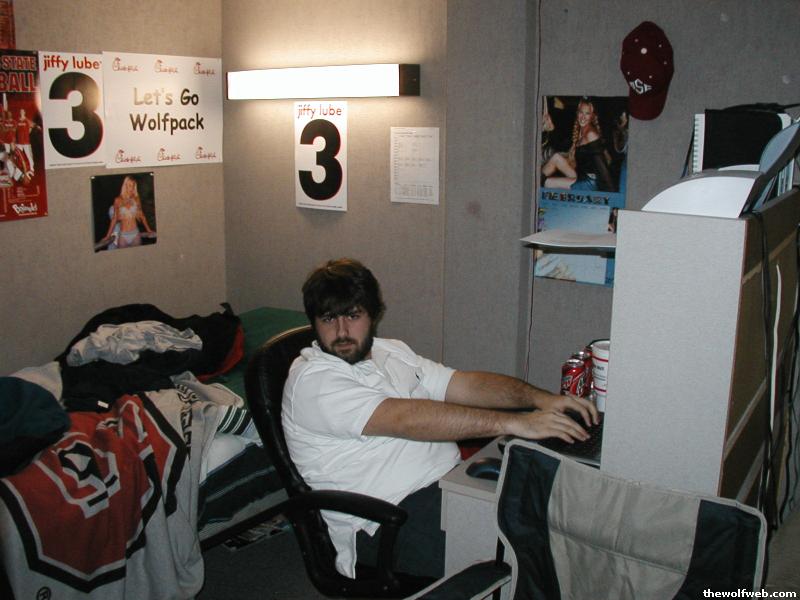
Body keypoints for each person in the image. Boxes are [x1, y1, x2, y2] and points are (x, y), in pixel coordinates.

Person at [283, 258, 599, 580]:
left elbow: (463, 384)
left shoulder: (390, 351)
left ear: (373, 315)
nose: (341, 332)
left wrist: (540, 399)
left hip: (448, 482)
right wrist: (514, 423)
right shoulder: (314, 381)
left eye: (352, 315)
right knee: (533, 554)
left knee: (556, 516)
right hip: (388, 521)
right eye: (328, 318)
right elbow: (404, 419)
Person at [541, 97, 614, 192]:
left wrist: (611, 195)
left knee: (548, 183)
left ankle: (537, 184)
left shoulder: (591, 135)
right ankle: (534, 180)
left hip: (590, 183)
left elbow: (602, 168)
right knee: (556, 157)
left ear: (592, 116)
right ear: (577, 113)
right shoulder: (581, 131)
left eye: (587, 113)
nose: (583, 117)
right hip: (581, 175)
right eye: (581, 112)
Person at [100, 175, 156, 249]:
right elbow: (114, 219)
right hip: (123, 236)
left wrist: (149, 230)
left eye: (133, 186)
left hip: (135, 234)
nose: (131, 188)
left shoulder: (136, 199)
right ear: (125, 186)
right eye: (129, 185)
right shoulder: (118, 200)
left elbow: (142, 216)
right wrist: (107, 236)